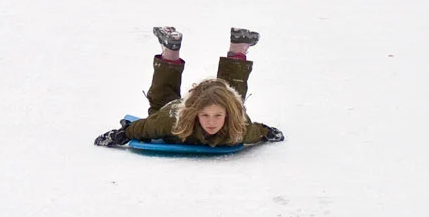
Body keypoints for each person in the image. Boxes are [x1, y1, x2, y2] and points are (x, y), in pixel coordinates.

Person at [93, 26, 285, 148]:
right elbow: (145, 127)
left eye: (218, 116)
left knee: (231, 98)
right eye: (205, 116)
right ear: (195, 114)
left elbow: (255, 131)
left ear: (226, 116)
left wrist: (267, 132)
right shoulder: (173, 119)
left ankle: (173, 50)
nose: (211, 122)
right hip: (177, 110)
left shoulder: (237, 128)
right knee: (160, 105)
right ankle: (173, 52)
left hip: (226, 103)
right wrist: (122, 133)